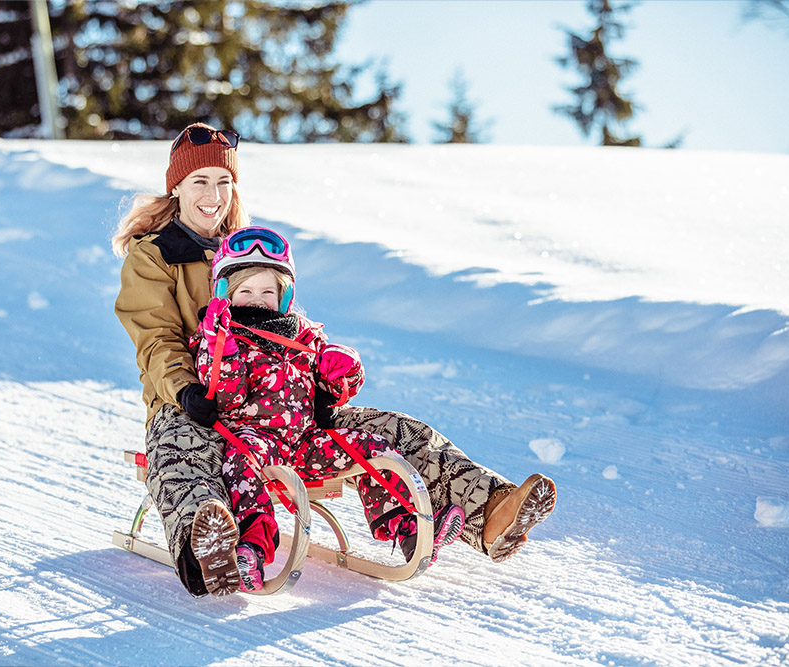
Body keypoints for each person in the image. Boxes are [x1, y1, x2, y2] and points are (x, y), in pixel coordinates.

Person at [112, 121, 556, 598]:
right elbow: (156, 340)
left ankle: (490, 510)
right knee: (180, 450)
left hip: (280, 412)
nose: (213, 195)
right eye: (200, 181)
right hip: (195, 401)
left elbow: (290, 325)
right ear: (175, 187)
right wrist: (185, 389)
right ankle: (208, 549)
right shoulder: (153, 256)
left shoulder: (249, 246)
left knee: (389, 430)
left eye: (224, 182)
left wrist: (318, 382)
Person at [191, 227, 465, 592]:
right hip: (253, 440)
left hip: (306, 441)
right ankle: (251, 549)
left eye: (267, 291)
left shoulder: (303, 335)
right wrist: (221, 348)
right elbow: (226, 398)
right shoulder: (220, 337)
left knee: (367, 446)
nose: (257, 299)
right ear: (225, 294)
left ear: (284, 294)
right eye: (245, 290)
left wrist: (343, 372)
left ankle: (409, 527)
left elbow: (329, 393)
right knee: (240, 466)